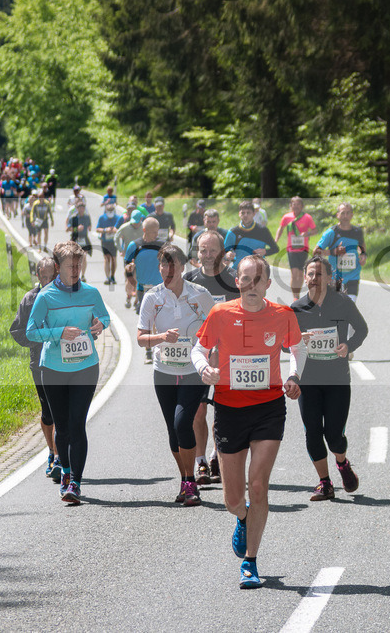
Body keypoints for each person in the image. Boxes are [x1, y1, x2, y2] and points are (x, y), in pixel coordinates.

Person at [191, 255, 306, 589]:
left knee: (258, 485)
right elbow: (197, 350)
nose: (251, 285)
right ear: (236, 282)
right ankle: (242, 516)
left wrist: (294, 374)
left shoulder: (282, 315)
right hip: (228, 408)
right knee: (232, 498)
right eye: (245, 279)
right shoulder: (220, 314)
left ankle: (250, 562)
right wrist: (204, 370)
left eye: (258, 279)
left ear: (268, 284)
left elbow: (297, 348)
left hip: (269, 407)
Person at [26, 242, 110, 505]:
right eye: (69, 266)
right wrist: (58, 333)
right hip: (53, 368)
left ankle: (75, 481)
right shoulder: (46, 297)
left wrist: (99, 325)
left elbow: (105, 318)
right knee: (62, 428)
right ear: (57, 267)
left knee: (77, 425)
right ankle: (64, 473)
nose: (75, 270)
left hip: (85, 366)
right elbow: (31, 332)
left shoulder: (91, 292)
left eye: (78, 265)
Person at [138, 244, 214, 506]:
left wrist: (207, 353)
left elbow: (216, 328)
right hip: (164, 372)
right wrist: (161, 337)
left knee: (183, 422)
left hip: (193, 370)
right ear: (158, 267)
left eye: (173, 264)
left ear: (183, 267)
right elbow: (141, 339)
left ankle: (190, 480)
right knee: (173, 430)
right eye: (163, 264)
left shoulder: (200, 295)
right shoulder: (152, 298)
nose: (168, 270)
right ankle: (185, 480)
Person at [291, 256, 368, 501]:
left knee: (334, 435)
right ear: (305, 277)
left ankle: (342, 463)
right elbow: (286, 344)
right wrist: (296, 340)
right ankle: (325, 483)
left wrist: (348, 345)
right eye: (311, 274)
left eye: (319, 274)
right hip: (309, 380)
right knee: (312, 432)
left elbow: (363, 328)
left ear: (329, 277)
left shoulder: (343, 303)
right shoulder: (297, 308)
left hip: (337, 379)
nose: (314, 279)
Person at [183, 229, 241, 483]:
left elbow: (244, 316)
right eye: (203, 250)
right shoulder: (188, 280)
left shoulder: (234, 281)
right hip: (199, 357)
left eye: (212, 250)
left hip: (230, 358)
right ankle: (201, 463)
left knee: (224, 411)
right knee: (198, 412)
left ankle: (217, 455)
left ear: (223, 253)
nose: (207, 256)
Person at [10, 258, 62, 481]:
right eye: (43, 276)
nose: (47, 280)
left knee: (61, 411)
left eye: (51, 276)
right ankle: (51, 451)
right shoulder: (29, 299)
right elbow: (17, 330)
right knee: (48, 412)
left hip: (63, 362)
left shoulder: (64, 297)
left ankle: (60, 458)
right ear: (38, 275)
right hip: (39, 363)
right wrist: (38, 342)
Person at [313, 202, 367, 300]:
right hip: (335, 276)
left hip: (353, 275)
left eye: (348, 213)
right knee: (337, 306)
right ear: (337, 215)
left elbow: (361, 244)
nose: (345, 216)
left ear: (352, 215)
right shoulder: (331, 232)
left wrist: (363, 254)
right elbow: (316, 252)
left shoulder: (357, 231)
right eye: (342, 213)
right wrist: (333, 252)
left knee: (351, 303)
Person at [275, 196, 318, 300]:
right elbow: (281, 228)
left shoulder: (307, 217)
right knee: (294, 274)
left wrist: (306, 233)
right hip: (291, 249)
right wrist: (275, 241)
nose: (296, 207)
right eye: (294, 204)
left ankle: (297, 292)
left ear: (302, 206)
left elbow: (315, 231)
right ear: (291, 206)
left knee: (300, 274)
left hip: (303, 249)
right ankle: (295, 297)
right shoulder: (287, 217)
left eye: (298, 204)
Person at [124, 217, 163, 316]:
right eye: (154, 232)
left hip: (160, 288)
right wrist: (129, 268)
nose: (157, 234)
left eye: (157, 231)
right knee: (146, 319)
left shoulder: (162, 245)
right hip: (142, 288)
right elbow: (126, 265)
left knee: (159, 318)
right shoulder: (134, 245)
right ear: (144, 230)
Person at [223, 200, 278, 270]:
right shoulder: (233, 232)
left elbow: (275, 249)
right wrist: (228, 254)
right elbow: (224, 251)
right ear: (239, 214)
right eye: (243, 213)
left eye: (248, 213)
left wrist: (265, 252)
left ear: (254, 213)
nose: (245, 215)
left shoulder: (263, 230)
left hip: (258, 270)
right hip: (239, 270)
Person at [116, 210, 145, 308]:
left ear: (141, 219)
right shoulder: (125, 227)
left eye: (137, 222)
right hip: (128, 257)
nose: (136, 224)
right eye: (134, 222)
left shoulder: (144, 227)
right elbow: (116, 237)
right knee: (129, 279)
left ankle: (136, 300)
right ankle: (128, 297)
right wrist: (121, 249)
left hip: (140, 257)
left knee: (138, 278)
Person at [96, 201, 121, 285]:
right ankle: (107, 277)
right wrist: (105, 230)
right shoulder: (102, 218)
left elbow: (121, 229)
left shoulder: (118, 218)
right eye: (109, 211)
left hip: (114, 242)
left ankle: (112, 276)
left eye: (112, 211)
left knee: (113, 259)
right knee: (107, 259)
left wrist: (115, 230)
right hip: (105, 241)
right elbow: (97, 229)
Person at [68, 201, 92, 281]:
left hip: (84, 238)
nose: (81, 209)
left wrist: (89, 227)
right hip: (75, 238)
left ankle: (83, 275)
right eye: (79, 208)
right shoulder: (73, 217)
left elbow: (89, 225)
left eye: (82, 208)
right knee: (75, 258)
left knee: (84, 256)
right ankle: (74, 274)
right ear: (77, 209)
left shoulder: (87, 217)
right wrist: (76, 228)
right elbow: (68, 228)